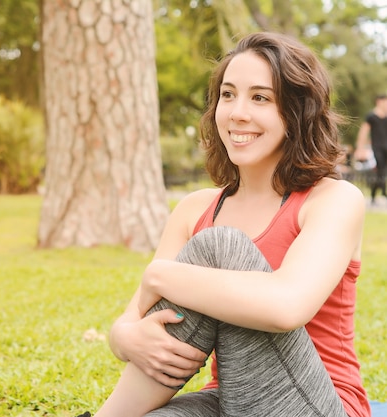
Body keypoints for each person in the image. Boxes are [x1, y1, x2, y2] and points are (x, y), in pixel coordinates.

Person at [77, 32, 370, 417]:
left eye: (260, 98)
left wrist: (158, 275)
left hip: (317, 402)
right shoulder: (194, 209)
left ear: (296, 112)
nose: (237, 113)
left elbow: (286, 307)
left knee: (220, 248)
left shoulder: (333, 200)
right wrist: (123, 337)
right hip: (228, 399)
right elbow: (131, 322)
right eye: (228, 95)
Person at [355, 94, 387, 204]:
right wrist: (360, 148)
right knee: (380, 170)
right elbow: (363, 133)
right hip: (377, 148)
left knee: (382, 172)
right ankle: (383, 192)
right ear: (379, 102)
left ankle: (375, 194)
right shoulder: (371, 116)